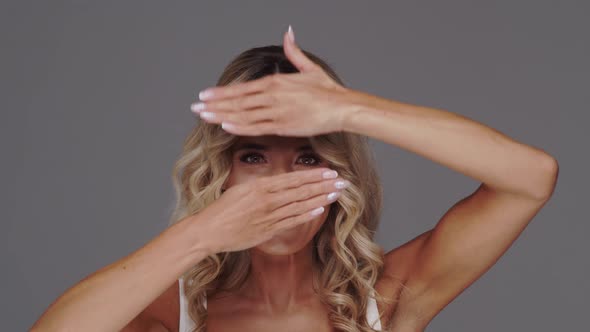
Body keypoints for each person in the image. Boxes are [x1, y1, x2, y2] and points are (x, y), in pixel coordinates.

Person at [31, 25, 558, 332]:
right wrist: (202, 234)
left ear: (339, 179)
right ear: (220, 176)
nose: (277, 184)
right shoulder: (174, 312)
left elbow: (531, 177)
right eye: (253, 158)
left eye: (306, 159)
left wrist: (352, 110)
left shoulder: (385, 298)